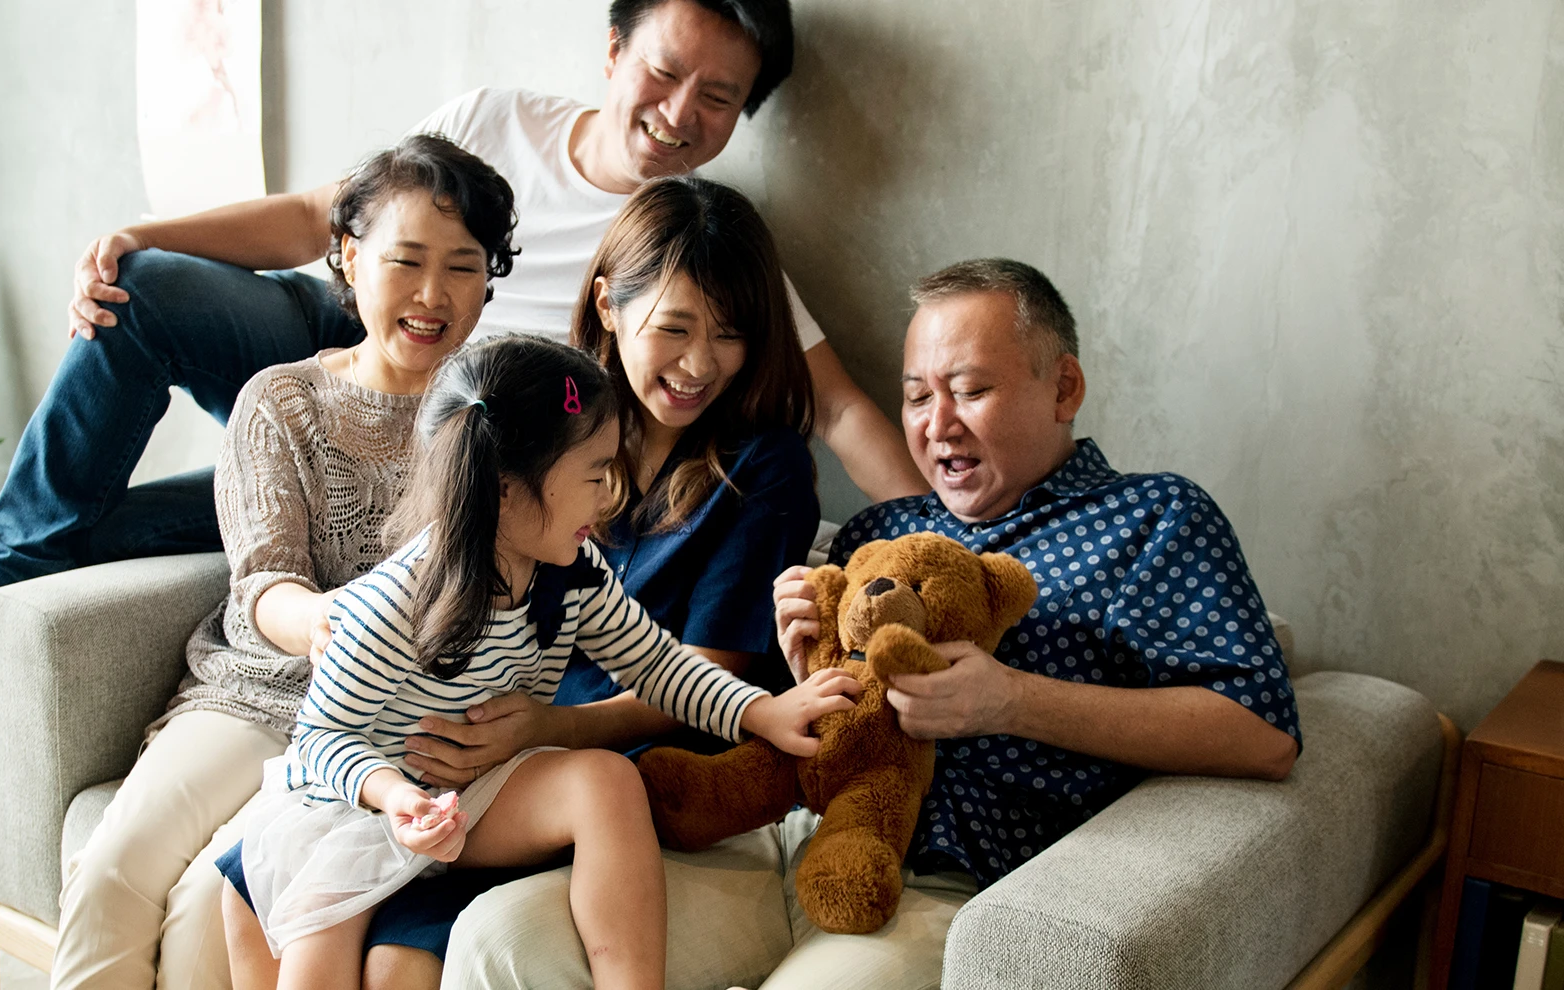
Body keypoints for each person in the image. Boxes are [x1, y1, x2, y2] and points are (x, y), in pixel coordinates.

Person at [0, 0, 924, 677]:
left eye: (718, 99)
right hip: (342, 327)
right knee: (148, 290)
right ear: (612, 49)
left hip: (433, 428)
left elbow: (832, 404)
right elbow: (326, 215)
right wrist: (141, 234)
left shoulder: (697, 250)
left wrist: (957, 531)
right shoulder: (496, 120)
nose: (681, 112)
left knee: (265, 494)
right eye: (666, 72)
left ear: (742, 114)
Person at [444, 259, 1304, 990]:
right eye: (918, 396)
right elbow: (798, 709)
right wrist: (802, 673)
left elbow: (1262, 734)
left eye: (971, 391)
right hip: (779, 836)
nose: (937, 424)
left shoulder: (1153, 519)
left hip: (942, 883)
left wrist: (1011, 700)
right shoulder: (877, 531)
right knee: (501, 940)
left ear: (1064, 387)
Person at [219, 175, 825, 990]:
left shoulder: (572, 570)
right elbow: (322, 742)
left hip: (471, 788)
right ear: (507, 492)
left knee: (607, 785)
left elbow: (660, 665)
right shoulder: (394, 605)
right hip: (354, 804)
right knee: (321, 964)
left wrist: (761, 710)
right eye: (594, 477)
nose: (610, 499)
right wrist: (395, 797)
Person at [13, 135, 513, 990]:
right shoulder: (282, 400)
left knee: (205, 916)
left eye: (463, 268)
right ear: (348, 257)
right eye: (406, 261)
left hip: (381, 731)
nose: (433, 295)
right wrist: (322, 621)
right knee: (109, 872)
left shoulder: (496, 419)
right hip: (251, 693)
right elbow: (263, 580)